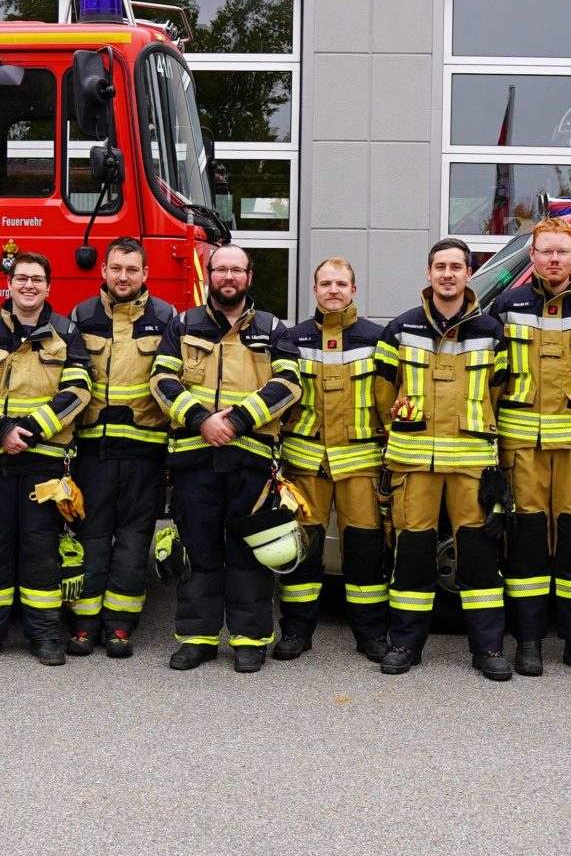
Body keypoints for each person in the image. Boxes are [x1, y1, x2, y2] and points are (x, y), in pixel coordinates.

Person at [150, 244, 301, 673]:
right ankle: (197, 639)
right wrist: (201, 421)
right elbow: (161, 380)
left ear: (249, 277)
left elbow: (289, 384)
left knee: (249, 553)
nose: (228, 277)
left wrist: (234, 422)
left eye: (237, 270)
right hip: (195, 458)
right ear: (209, 275)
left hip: (250, 459)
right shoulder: (183, 324)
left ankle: (250, 641)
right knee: (198, 550)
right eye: (221, 270)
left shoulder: (273, 328)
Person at [485, 217, 571, 679]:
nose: (553, 259)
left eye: (562, 252)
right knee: (525, 548)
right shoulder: (507, 305)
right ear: (533, 256)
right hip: (521, 446)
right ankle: (529, 644)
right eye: (545, 251)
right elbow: (493, 377)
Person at [375, 239, 514, 681]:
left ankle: (489, 649)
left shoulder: (492, 332)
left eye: (457, 266)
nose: (448, 274)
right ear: (429, 273)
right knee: (412, 555)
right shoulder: (399, 329)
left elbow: (500, 394)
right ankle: (404, 644)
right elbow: (383, 396)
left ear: (469, 274)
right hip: (414, 464)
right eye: (440, 267)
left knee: (478, 560)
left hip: (471, 464)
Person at [0, 252, 90, 666]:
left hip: (44, 462)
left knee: (40, 551)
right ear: (8, 285)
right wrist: (0, 430)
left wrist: (26, 431)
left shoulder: (67, 332)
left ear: (49, 286)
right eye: (21, 278)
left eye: (37, 279)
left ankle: (45, 636)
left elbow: (79, 389)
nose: (29, 285)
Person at [274, 257, 393, 663]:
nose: (333, 290)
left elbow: (388, 402)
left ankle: (371, 635)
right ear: (315, 289)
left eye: (341, 283)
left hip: (360, 464)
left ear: (354, 290)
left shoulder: (379, 339)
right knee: (303, 551)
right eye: (326, 283)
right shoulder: (293, 338)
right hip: (305, 463)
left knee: (364, 552)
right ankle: (295, 631)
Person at [67, 237, 178, 657]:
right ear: (104, 271)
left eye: (132, 269)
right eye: (116, 268)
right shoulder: (81, 315)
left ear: (145, 274)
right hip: (93, 451)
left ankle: (119, 627)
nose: (123, 276)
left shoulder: (167, 317)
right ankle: (82, 625)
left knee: (134, 543)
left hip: (145, 455)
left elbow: (173, 381)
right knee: (89, 539)